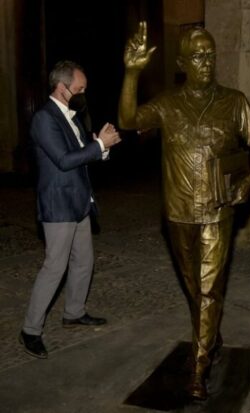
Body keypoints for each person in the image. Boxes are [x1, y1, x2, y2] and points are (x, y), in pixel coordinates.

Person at [118, 22, 250, 400]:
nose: (207, 62)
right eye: (199, 56)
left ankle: (199, 366)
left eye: (211, 55)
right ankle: (212, 337)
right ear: (183, 62)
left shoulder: (234, 101)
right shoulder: (168, 103)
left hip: (217, 212)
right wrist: (132, 73)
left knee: (208, 290)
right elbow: (128, 121)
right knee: (196, 289)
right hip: (177, 211)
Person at [20, 60, 121, 359]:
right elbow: (63, 161)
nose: (82, 93)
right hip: (59, 204)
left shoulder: (73, 116)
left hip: (79, 200)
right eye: (79, 89)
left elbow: (80, 156)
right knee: (54, 268)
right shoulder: (44, 118)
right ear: (61, 88)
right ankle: (30, 330)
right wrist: (98, 145)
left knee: (84, 262)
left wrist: (101, 149)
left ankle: (74, 313)